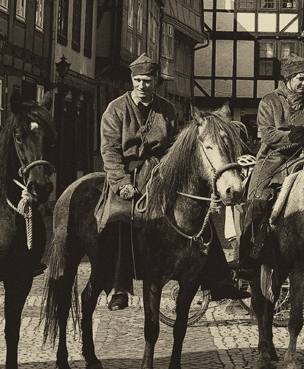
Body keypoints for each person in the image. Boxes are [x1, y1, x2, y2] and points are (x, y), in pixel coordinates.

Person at [97, 54, 246, 311]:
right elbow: (109, 151)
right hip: (127, 174)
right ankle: (120, 286)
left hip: (162, 172)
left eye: (148, 80)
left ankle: (219, 278)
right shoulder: (116, 109)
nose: (143, 85)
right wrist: (120, 182)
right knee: (122, 217)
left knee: (198, 214)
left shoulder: (166, 109)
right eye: (138, 80)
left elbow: (178, 147)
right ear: (132, 80)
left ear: (156, 81)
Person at [235, 54, 304, 279]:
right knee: (256, 199)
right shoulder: (270, 101)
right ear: (287, 79)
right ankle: (247, 258)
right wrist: (294, 136)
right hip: (274, 159)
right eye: (299, 79)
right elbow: (268, 134)